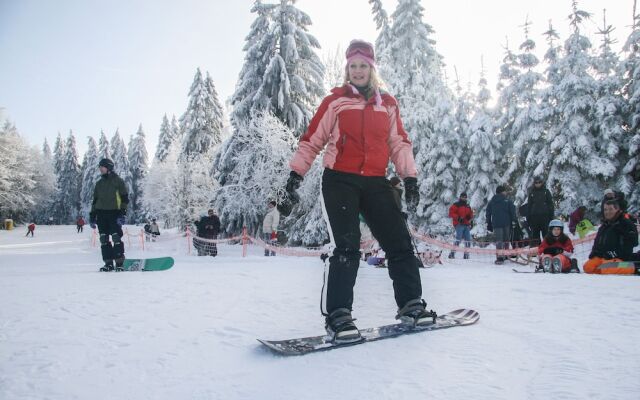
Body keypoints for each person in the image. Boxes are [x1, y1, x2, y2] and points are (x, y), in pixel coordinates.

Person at [277, 39, 434, 343]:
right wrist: (294, 178)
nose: (358, 71)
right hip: (340, 181)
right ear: (347, 69)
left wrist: (410, 178)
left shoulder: (387, 103)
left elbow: (398, 142)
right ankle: (339, 316)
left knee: (400, 243)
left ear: (372, 69)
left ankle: (411, 305)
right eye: (353, 66)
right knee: (346, 248)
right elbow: (312, 141)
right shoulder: (335, 101)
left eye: (364, 66)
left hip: (376, 181)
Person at [89, 158, 129, 272]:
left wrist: (122, 213)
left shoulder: (118, 181)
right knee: (104, 239)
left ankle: (119, 263)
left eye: (103, 166)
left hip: (114, 213)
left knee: (116, 237)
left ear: (109, 167)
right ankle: (108, 263)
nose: (100, 169)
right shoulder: (99, 183)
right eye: (100, 167)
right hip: (101, 215)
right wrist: (92, 216)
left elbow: (125, 199)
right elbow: (95, 201)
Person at [583, 199, 639, 275]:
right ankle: (605, 268)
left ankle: (633, 267)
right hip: (605, 257)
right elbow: (597, 243)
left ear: (617, 209)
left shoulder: (625, 223)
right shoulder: (604, 226)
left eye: (610, 209)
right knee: (588, 267)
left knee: (607, 268)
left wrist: (616, 253)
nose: (607, 212)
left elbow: (633, 242)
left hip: (621, 259)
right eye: (605, 209)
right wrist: (594, 253)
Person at [486, 185, 517, 264]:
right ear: (502, 192)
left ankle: (500, 257)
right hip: (506, 223)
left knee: (499, 240)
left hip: (496, 224)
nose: (506, 192)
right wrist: (514, 220)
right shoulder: (507, 201)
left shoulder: (492, 201)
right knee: (506, 239)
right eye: (505, 191)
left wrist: (489, 222)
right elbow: (512, 211)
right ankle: (505, 255)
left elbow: (488, 212)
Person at [526, 176, 554, 246]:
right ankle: (537, 251)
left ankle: (548, 250)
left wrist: (551, 217)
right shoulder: (531, 193)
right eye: (536, 182)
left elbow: (550, 204)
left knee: (546, 236)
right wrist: (528, 219)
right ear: (534, 183)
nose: (538, 184)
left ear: (542, 183)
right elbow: (529, 206)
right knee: (535, 237)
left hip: (545, 217)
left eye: (539, 182)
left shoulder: (546, 192)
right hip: (534, 218)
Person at [448, 192, 473, 259]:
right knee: (458, 239)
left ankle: (466, 255)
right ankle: (452, 254)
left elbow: (471, 214)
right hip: (459, 224)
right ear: (460, 197)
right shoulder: (456, 204)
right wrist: (458, 218)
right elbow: (451, 213)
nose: (464, 198)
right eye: (463, 197)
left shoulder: (468, 206)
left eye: (465, 197)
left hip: (466, 225)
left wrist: (470, 217)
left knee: (468, 240)